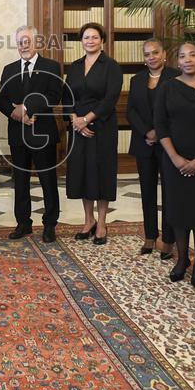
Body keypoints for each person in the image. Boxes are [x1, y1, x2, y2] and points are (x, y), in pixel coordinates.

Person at [154, 42, 195, 287]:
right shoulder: (168, 88)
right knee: (178, 213)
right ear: (177, 61)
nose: (188, 59)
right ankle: (182, 259)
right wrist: (175, 158)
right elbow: (160, 124)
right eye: (182, 56)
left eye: (193, 55)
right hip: (174, 160)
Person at [0, 25, 63, 242]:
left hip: (42, 133)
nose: (23, 45)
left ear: (36, 42)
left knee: (47, 180)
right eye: (20, 42)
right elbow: (2, 100)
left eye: (27, 41)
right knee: (21, 181)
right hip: (18, 134)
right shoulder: (9, 69)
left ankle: (50, 224)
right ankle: (23, 223)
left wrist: (26, 110)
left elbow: (54, 96)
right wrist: (16, 114)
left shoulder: (51, 66)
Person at [63, 22, 123, 245]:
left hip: (102, 128)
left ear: (102, 40)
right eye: (86, 37)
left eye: (94, 37)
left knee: (102, 172)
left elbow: (110, 98)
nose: (90, 41)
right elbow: (67, 96)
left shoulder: (111, 66)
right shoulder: (75, 66)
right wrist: (74, 120)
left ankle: (101, 223)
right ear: (81, 41)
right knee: (82, 173)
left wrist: (87, 119)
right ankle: (87, 221)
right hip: (78, 128)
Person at [126, 38, 179, 259]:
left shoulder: (175, 77)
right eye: (147, 54)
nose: (151, 57)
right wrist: (147, 132)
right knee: (147, 191)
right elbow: (131, 111)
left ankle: (167, 240)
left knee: (169, 192)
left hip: (169, 144)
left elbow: (177, 110)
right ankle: (150, 236)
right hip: (143, 142)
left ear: (164, 54)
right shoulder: (136, 79)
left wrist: (159, 132)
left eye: (155, 53)